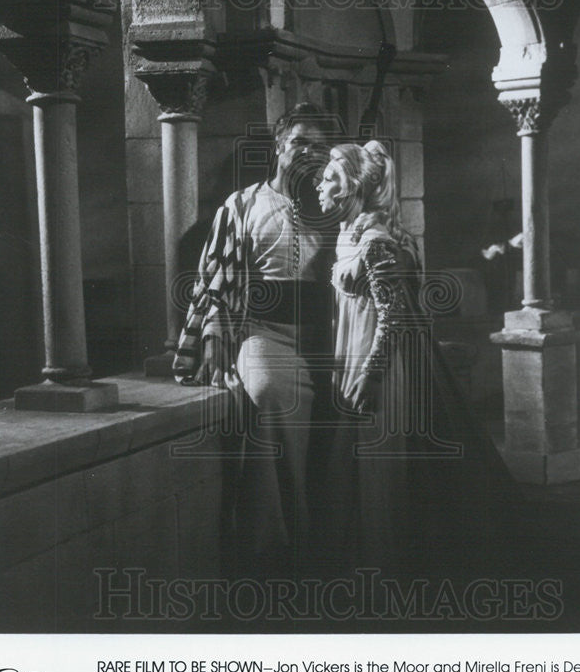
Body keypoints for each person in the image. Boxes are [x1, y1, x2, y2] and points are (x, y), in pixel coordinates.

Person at [316, 140, 514, 574]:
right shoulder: (347, 234)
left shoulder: (375, 241)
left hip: (379, 361)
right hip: (351, 349)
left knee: (378, 461)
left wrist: (372, 375)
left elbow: (393, 318)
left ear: (352, 188)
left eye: (329, 180)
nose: (320, 186)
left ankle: (388, 571)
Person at [173, 102, 336, 576]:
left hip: (325, 341)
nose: (310, 153)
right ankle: (278, 548)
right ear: (280, 146)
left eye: (320, 148)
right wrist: (216, 338)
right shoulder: (242, 205)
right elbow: (214, 282)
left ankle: (330, 545)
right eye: (301, 142)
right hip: (265, 335)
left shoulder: (333, 204)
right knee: (268, 396)